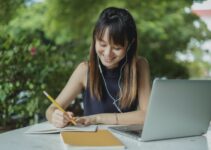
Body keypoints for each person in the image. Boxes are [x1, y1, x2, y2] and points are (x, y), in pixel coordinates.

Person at [46, 7, 151, 128]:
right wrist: (56, 116)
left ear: (130, 44)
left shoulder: (140, 66)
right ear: (95, 38)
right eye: (102, 44)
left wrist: (98, 118)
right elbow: (51, 109)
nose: (107, 53)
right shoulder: (84, 70)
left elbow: (146, 115)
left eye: (117, 48)